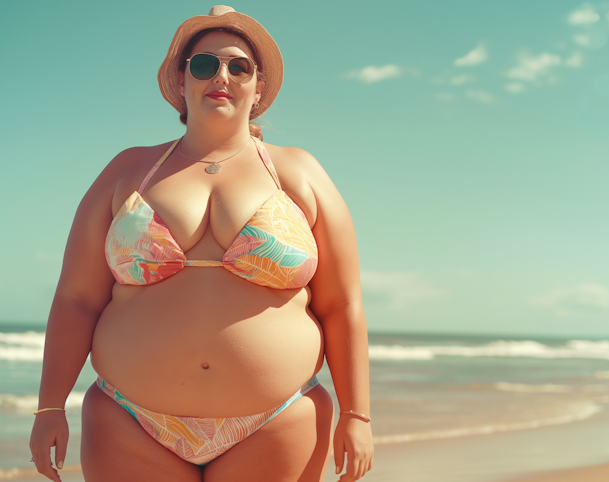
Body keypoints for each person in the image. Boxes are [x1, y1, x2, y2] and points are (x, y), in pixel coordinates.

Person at [29, 5, 373, 482]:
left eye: (239, 66)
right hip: (127, 422)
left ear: (258, 89)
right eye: (206, 64)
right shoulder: (128, 170)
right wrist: (49, 407)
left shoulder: (300, 172)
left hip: (277, 422)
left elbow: (343, 304)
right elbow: (76, 298)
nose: (223, 76)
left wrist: (357, 416)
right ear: (183, 77)